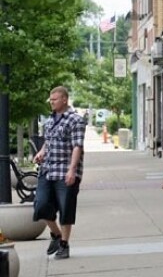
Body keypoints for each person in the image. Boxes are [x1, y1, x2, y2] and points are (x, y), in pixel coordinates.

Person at [32, 86, 86, 260]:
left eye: (54, 99)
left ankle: (64, 244)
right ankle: (55, 234)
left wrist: (72, 170)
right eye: (50, 99)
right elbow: (48, 142)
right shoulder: (48, 121)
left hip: (65, 171)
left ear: (64, 99)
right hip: (47, 170)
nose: (51, 102)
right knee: (40, 205)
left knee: (66, 209)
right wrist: (41, 152)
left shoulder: (75, 120)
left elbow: (77, 146)